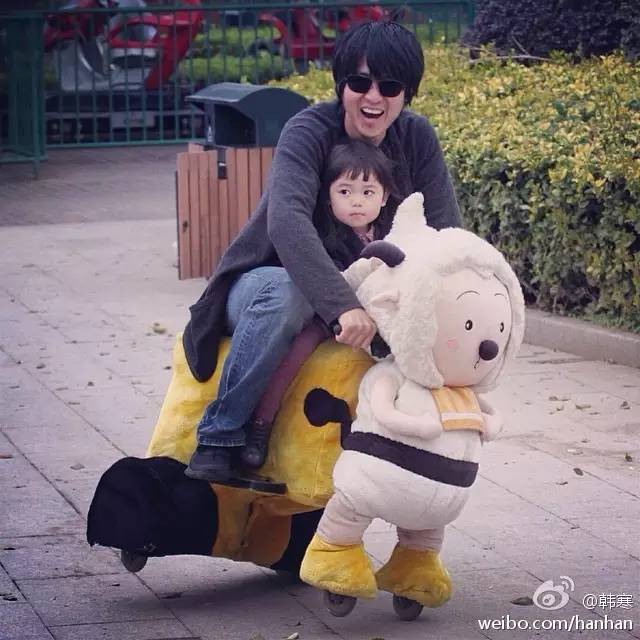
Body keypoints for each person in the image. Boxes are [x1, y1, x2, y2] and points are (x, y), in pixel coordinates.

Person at [184, 19, 462, 482]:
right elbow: (286, 222)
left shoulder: (416, 137)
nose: (373, 97)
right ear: (341, 85)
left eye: (390, 86)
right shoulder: (308, 131)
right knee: (288, 293)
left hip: (361, 291)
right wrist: (341, 306)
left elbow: (445, 229)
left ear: (407, 93)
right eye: (360, 82)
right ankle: (218, 436)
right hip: (267, 285)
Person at [239, 138, 397, 469]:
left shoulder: (392, 234)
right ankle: (261, 422)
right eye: (345, 191)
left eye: (368, 192)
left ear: (384, 197)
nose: (357, 201)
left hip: (378, 317)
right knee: (298, 348)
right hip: (327, 316)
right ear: (328, 197)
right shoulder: (324, 236)